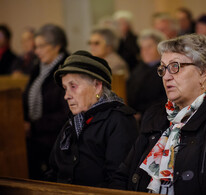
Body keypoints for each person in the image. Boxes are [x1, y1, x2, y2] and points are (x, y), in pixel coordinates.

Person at [110, 34, 206, 195]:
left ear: (203, 71)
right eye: (163, 69)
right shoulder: (155, 113)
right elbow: (122, 175)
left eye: (175, 67)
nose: (166, 76)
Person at [46, 50, 138, 187]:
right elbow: (53, 171)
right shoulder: (73, 122)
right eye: (65, 88)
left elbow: (118, 181)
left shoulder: (120, 121)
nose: (66, 96)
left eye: (73, 86)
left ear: (97, 86)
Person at [23, 24, 69, 180]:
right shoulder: (38, 68)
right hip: (36, 134)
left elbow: (65, 112)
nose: (36, 51)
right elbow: (26, 97)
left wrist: (34, 126)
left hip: (57, 136)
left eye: (41, 46)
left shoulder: (66, 68)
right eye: (36, 47)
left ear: (57, 46)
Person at [127, 29, 167, 123]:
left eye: (149, 47)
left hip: (156, 118)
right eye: (142, 47)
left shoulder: (165, 69)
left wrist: (141, 114)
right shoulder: (138, 68)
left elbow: (163, 98)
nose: (145, 51)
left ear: (159, 48)